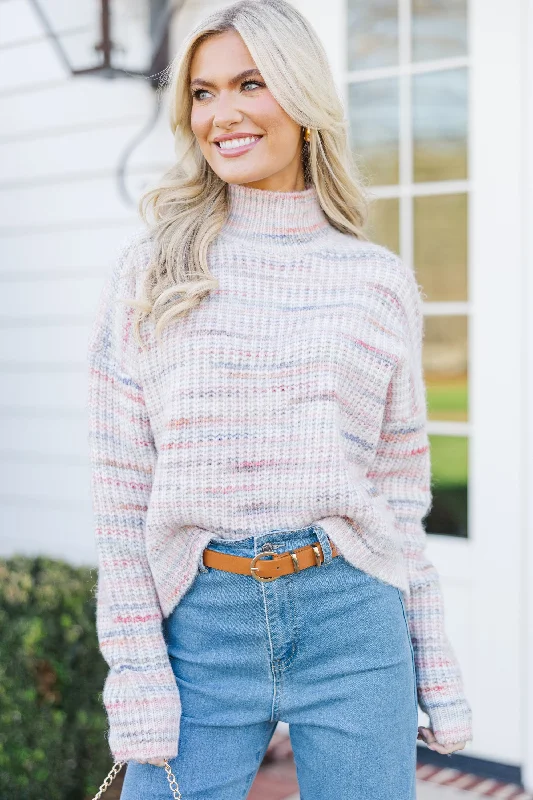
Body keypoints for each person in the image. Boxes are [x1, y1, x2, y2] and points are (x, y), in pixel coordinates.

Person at [87, 1, 473, 798]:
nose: (221, 114)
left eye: (249, 83)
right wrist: (136, 676)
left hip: (350, 617)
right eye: (201, 92)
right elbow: (121, 497)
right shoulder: (149, 274)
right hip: (199, 624)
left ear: (300, 97)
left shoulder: (375, 281)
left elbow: (400, 497)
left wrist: (433, 664)